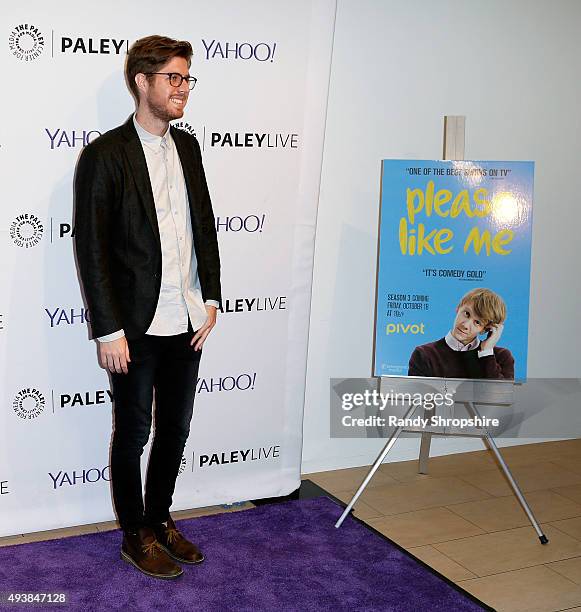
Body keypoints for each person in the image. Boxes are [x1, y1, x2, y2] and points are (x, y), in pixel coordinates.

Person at [74, 35, 221, 579]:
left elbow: (203, 223)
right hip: (134, 324)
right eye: (173, 79)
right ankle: (135, 532)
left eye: (187, 78)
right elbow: (91, 248)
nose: (183, 88)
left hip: (187, 319)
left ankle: (160, 520)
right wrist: (107, 328)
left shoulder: (188, 148)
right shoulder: (104, 155)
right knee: (134, 431)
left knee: (176, 429)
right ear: (143, 82)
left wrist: (210, 297)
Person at [408, 288, 514, 379]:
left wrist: (486, 353)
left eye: (477, 322)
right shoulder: (424, 354)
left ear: (485, 329)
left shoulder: (501, 357)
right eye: (467, 314)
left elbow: (500, 398)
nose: (466, 325)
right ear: (458, 308)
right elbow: (417, 399)